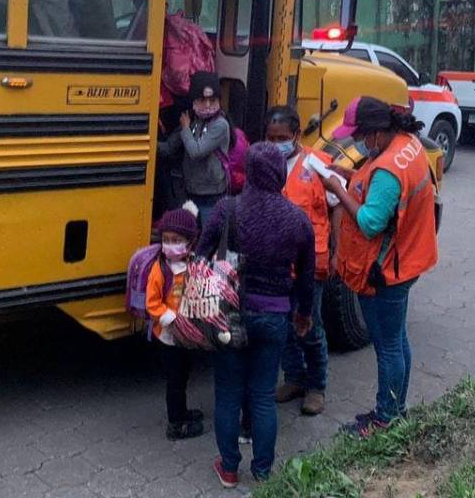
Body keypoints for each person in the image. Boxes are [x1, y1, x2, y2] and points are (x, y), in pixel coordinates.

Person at [197, 142, 315, 487]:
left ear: (248, 172)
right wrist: (304, 315)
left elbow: (201, 257)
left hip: (229, 316)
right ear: (280, 173)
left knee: (229, 393)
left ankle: (229, 468)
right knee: (263, 395)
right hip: (274, 318)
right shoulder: (298, 220)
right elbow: (306, 279)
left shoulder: (226, 209)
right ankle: (263, 472)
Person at [324, 97, 438, 438]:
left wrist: (336, 189)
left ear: (376, 132)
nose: (359, 142)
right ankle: (396, 409)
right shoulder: (407, 145)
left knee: (387, 345)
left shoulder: (389, 170)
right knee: (397, 339)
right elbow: (374, 181)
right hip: (410, 257)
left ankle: (385, 418)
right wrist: (350, 175)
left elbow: (371, 222)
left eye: (361, 135)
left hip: (388, 268)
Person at [265, 105, 344, 417]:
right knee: (283, 327)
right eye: (270, 138)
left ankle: (316, 386)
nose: (275, 144)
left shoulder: (318, 163)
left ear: (297, 135)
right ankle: (294, 378)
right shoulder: (266, 163)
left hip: (312, 263)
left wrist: (338, 250)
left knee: (310, 326)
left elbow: (337, 204)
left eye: (282, 137)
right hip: (276, 264)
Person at [145, 202, 205, 441]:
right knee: (175, 381)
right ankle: (176, 424)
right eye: (166, 240)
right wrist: (172, 319)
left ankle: (182, 411)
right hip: (169, 337)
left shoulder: (192, 264)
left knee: (184, 375)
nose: (170, 245)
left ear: (190, 242)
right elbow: (152, 304)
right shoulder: (160, 270)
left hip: (186, 335)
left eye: (176, 239)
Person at [158, 72, 231, 227]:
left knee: (207, 241)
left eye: (212, 100)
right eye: (202, 100)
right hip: (190, 193)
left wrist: (185, 129)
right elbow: (170, 148)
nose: (208, 105)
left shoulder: (220, 125)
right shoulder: (192, 120)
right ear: (193, 101)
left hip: (211, 196)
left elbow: (196, 151)